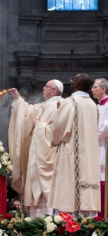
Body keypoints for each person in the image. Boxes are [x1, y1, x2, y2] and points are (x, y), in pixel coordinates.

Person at [36, 74, 100, 215]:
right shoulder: (93, 105)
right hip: (89, 157)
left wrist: (47, 132)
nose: (70, 83)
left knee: (69, 200)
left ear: (76, 84)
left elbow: (58, 128)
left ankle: (67, 228)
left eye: (72, 81)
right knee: (86, 200)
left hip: (71, 154)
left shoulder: (70, 102)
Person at [9, 79, 64, 218]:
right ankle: (34, 221)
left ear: (54, 91)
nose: (43, 88)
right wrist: (17, 98)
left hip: (50, 155)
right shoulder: (43, 106)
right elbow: (26, 111)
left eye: (46, 87)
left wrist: (38, 126)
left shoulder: (61, 106)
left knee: (47, 188)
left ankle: (50, 223)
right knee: (34, 184)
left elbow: (58, 132)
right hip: (37, 153)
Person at [91, 78, 108, 217]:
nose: (92, 89)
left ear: (103, 89)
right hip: (95, 148)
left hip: (104, 148)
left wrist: (88, 133)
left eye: (95, 87)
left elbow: (105, 127)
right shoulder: (97, 106)